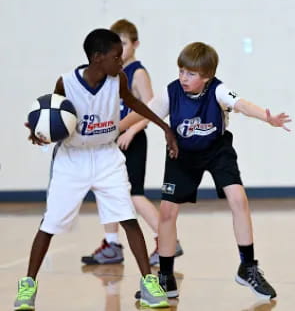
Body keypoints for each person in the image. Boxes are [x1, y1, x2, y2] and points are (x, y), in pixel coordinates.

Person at [14, 28, 178, 310]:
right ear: (97, 58)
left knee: (127, 216)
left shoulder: (119, 79)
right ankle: (28, 285)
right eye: (116, 56)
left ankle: (148, 283)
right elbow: (51, 116)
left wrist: (164, 127)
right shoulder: (66, 82)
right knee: (50, 223)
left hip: (106, 157)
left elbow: (135, 102)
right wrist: (39, 133)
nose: (121, 59)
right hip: (72, 159)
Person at [122, 42, 290, 299]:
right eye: (181, 71)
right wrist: (112, 129)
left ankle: (247, 267)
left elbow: (242, 104)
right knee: (167, 212)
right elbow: (142, 112)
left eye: (191, 74)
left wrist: (266, 117)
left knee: (238, 199)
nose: (183, 78)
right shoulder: (171, 92)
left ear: (206, 77)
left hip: (216, 151)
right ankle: (166, 278)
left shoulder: (218, 90)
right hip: (182, 153)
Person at [81, 19, 183, 267]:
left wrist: (131, 131)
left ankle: (167, 240)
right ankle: (112, 244)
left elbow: (151, 109)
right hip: (111, 140)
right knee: (106, 190)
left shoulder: (137, 71)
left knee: (134, 194)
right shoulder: (111, 73)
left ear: (135, 44)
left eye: (124, 43)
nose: (119, 49)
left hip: (132, 141)